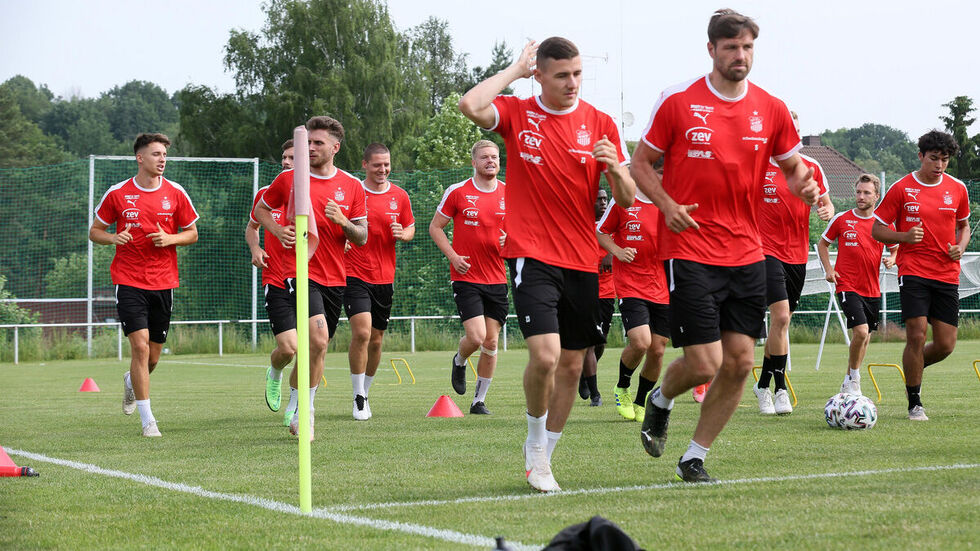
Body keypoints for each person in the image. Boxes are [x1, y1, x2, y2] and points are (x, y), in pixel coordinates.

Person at [630, 9, 820, 482]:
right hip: (689, 249)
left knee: (738, 363)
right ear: (712, 49)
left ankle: (694, 456)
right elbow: (640, 164)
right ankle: (660, 397)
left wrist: (805, 185)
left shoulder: (771, 108)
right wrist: (667, 204)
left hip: (748, 252)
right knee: (704, 362)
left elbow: (793, 167)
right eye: (731, 47)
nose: (741, 55)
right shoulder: (677, 101)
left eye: (748, 47)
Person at [459, 37, 635, 492]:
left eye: (577, 73)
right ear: (540, 75)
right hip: (531, 255)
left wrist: (615, 168)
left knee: (574, 366)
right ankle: (535, 443)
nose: (572, 83)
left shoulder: (599, 123)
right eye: (561, 75)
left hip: (582, 260)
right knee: (546, 355)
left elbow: (629, 200)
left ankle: (544, 453)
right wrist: (515, 70)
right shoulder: (519, 115)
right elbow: (470, 103)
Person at [255, 116, 367, 439]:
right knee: (315, 340)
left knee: (319, 349)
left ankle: (299, 405)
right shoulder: (291, 180)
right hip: (300, 271)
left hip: (336, 277)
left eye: (319, 143)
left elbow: (361, 236)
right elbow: (261, 211)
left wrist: (344, 221)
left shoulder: (352, 186)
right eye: (310, 142)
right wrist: (277, 229)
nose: (312, 148)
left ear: (336, 147)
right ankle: (308, 413)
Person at [89, 133, 199, 437]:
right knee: (138, 347)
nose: (162, 159)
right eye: (156, 154)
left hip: (164, 283)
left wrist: (171, 239)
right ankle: (148, 420)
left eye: (164, 154)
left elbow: (192, 233)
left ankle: (130, 382)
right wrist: (113, 237)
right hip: (128, 280)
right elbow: (95, 231)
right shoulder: (118, 193)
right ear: (140, 158)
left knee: (151, 358)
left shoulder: (176, 192)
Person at [872, 130, 968, 421]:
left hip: (947, 273)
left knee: (946, 344)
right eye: (934, 158)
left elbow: (963, 225)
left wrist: (961, 247)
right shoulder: (902, 188)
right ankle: (915, 402)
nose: (939, 165)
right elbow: (877, 229)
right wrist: (902, 236)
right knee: (916, 334)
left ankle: (913, 366)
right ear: (921, 157)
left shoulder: (958, 188)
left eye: (945, 160)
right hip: (913, 270)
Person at [753, 112, 835, 415]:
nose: (793, 137)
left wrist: (825, 211)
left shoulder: (811, 167)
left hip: (797, 255)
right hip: (763, 251)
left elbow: (826, 203)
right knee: (782, 318)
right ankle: (780, 389)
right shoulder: (757, 165)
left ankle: (762, 383)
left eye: (797, 131)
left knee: (779, 325)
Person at [429, 139, 508, 415]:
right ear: (474, 162)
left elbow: (520, 233)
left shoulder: (508, 193)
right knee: (476, 337)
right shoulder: (458, 191)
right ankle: (460, 360)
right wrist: (453, 256)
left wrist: (510, 240)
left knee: (492, 342)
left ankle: (478, 401)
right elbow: (436, 228)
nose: (491, 161)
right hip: (466, 276)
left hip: (497, 278)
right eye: (485, 157)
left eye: (495, 157)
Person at [344, 143, 415, 420]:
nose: (383, 169)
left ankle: (366, 391)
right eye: (377, 165)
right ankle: (358, 397)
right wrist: (344, 242)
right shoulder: (354, 192)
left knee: (376, 340)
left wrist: (404, 234)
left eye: (386, 164)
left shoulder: (400, 195)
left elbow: (410, 227)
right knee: (361, 333)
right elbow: (340, 225)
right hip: (354, 273)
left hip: (385, 278)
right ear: (365, 165)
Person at [818, 174, 897, 396]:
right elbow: (822, 244)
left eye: (866, 193)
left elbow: (895, 247)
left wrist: (892, 259)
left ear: (876, 196)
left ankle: (848, 380)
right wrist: (829, 269)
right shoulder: (842, 219)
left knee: (865, 338)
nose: (861, 197)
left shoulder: (882, 224)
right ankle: (855, 378)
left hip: (872, 289)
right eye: (859, 192)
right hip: (847, 285)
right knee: (861, 332)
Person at [597, 188, 669, 422]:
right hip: (631, 284)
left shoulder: (670, 200)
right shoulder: (623, 199)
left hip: (663, 285)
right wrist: (617, 251)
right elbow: (601, 231)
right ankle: (622, 387)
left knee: (658, 350)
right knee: (641, 342)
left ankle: (641, 400)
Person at [246, 138, 299, 424]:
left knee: (311, 348)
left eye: (292, 158)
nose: (286, 162)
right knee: (289, 349)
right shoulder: (267, 195)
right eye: (284, 157)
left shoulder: (313, 194)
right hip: (277, 279)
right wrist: (256, 248)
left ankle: (295, 407)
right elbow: (252, 227)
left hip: (311, 280)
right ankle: (275, 372)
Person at [579, 189, 613, 408]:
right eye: (598, 199)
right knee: (591, 342)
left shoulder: (614, 225)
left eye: (604, 199)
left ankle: (584, 375)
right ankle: (595, 394)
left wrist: (612, 251)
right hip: (586, 292)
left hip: (609, 292)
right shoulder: (580, 226)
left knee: (600, 342)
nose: (602, 202)